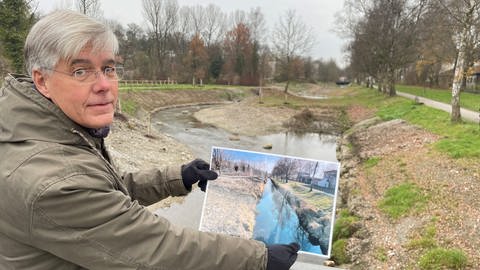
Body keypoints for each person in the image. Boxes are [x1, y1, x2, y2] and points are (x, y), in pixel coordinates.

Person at [0, 10, 300, 270]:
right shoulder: (50, 182)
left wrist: (178, 178)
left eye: (108, 68)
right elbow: (158, 249)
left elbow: (108, 195)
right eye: (81, 71)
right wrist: (256, 259)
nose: (104, 85)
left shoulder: (48, 131)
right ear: (42, 80)